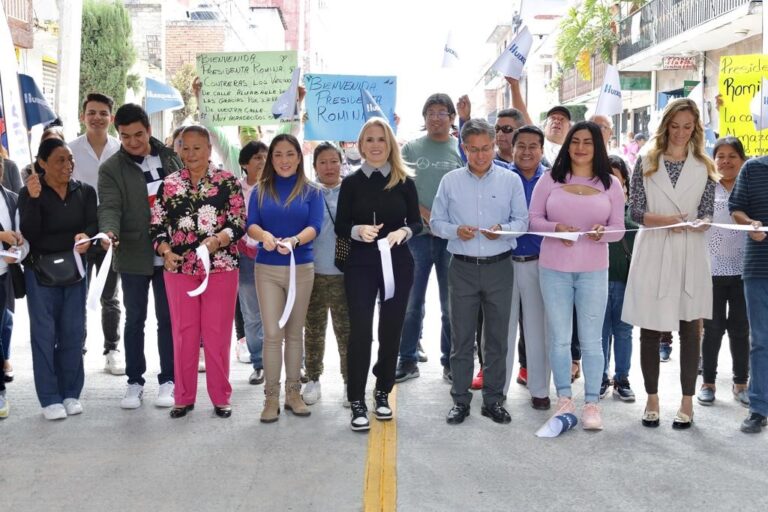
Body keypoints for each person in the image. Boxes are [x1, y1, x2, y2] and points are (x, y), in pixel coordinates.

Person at [623, 98, 718, 430]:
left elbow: (708, 212)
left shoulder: (704, 165)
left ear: (696, 128)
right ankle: (652, 398)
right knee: (650, 328)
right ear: (665, 126)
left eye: (687, 126)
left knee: (691, 328)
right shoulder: (647, 161)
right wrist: (667, 221)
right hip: (654, 248)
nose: (680, 133)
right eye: (675, 126)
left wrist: (700, 223)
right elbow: (635, 211)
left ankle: (687, 401)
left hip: (690, 250)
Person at [529, 121, 625, 430]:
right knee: (559, 338)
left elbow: (618, 228)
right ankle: (565, 400)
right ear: (568, 145)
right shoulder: (549, 179)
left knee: (592, 340)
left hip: (594, 271)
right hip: (553, 269)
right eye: (575, 141)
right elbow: (533, 220)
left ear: (597, 147)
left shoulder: (611, 184)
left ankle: (593, 404)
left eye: (588, 142)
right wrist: (555, 228)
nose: (580, 147)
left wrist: (603, 233)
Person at [431, 119, 528, 425]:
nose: (481, 156)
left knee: (497, 339)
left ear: (495, 146)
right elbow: (436, 223)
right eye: (473, 150)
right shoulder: (450, 181)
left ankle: (494, 400)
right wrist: (456, 230)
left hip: (500, 267)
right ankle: (460, 400)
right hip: (462, 268)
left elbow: (522, 222)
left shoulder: (510, 180)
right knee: (461, 339)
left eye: (486, 148)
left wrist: (504, 230)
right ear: (464, 149)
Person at [150, 126, 245, 418]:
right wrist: (165, 252)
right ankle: (183, 397)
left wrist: (218, 240)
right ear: (178, 149)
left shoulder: (228, 182)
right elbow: (156, 227)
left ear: (209, 149)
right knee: (183, 333)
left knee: (217, 335)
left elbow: (238, 222)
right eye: (185, 147)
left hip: (221, 267)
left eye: (197, 147)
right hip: (179, 269)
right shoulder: (168, 184)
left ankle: (220, 397)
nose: (191, 154)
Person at [336, 118, 421, 431]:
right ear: (361, 146)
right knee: (360, 332)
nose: (375, 145)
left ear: (390, 145)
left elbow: (417, 223)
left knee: (391, 330)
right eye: (369, 140)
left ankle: (382, 391)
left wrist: (403, 232)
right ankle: (356, 398)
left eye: (381, 140)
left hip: (398, 265)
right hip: (359, 265)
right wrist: (357, 231)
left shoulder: (405, 182)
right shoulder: (351, 183)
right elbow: (340, 225)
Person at [98, 103, 183, 410]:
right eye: (124, 136)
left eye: (138, 134)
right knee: (135, 320)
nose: (132, 142)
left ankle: (169, 380)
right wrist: (108, 232)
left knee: (168, 320)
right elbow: (108, 207)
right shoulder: (110, 169)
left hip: (172, 253)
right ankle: (134, 381)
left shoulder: (170, 156)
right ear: (117, 135)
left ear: (148, 129)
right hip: (133, 254)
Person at [246, 134, 322, 424]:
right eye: (277, 155)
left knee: (294, 333)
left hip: (301, 269)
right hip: (266, 270)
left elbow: (315, 226)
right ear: (270, 159)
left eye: (290, 154)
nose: (284, 160)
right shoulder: (260, 190)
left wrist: (294, 241)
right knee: (272, 335)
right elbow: (251, 224)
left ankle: (293, 394)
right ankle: (271, 399)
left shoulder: (312, 192)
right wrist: (263, 236)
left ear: (299, 157)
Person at [19, 138, 94, 420]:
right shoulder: (30, 193)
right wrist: (35, 200)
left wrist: (87, 236)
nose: (68, 165)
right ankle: (49, 398)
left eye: (70, 159)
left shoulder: (84, 191)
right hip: (40, 273)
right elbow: (30, 233)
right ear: (42, 164)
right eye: (60, 160)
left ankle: (71, 393)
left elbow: (92, 224)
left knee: (73, 332)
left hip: (75, 270)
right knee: (44, 334)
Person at [395, 93, 463, 384]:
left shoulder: (460, 149)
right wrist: (426, 216)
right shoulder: (411, 148)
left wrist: (445, 223)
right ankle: (407, 359)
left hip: (450, 238)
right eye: (430, 112)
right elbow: (402, 189)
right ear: (424, 118)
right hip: (417, 236)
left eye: (442, 112)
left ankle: (450, 360)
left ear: (451, 118)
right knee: (412, 302)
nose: (436, 117)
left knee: (451, 305)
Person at [69, 92, 124, 375]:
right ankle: (76, 349)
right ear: (83, 116)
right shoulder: (71, 149)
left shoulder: (120, 149)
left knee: (109, 295)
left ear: (111, 119)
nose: (97, 118)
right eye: (91, 112)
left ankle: (112, 349)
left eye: (103, 113)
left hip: (110, 232)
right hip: (79, 233)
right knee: (76, 294)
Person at [696, 137, 749, 407]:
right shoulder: (706, 187)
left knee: (741, 329)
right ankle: (708, 382)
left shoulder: (749, 186)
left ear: (742, 159)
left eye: (732, 156)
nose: (726, 161)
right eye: (720, 156)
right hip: (711, 269)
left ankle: (741, 383)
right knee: (713, 329)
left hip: (744, 270)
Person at [501, 125, 551, 410]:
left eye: (534, 146)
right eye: (521, 145)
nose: (527, 151)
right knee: (499, 330)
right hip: (504, 263)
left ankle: (540, 390)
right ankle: (499, 388)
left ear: (542, 150)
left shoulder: (553, 180)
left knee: (538, 329)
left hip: (539, 264)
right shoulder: (501, 178)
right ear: (513, 147)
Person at [303, 142, 350, 406]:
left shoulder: (353, 190)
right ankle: (312, 379)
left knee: (347, 332)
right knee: (313, 330)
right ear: (315, 166)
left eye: (334, 161)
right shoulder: (308, 192)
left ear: (342, 163)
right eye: (323, 162)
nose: (329, 167)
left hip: (345, 274)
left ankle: (349, 381)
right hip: (313, 273)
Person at [729, 138, 768, 433]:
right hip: (758, 268)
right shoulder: (752, 169)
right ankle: (758, 408)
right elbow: (737, 209)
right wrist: (750, 223)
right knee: (761, 341)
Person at [600, 155, 637, 402]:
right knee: (599, 333)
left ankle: (621, 378)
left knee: (623, 331)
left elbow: (635, 233)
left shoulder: (632, 213)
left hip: (625, 282)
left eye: (616, 178)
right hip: (597, 281)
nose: (611, 183)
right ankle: (600, 377)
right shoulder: (593, 210)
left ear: (624, 182)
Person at [235, 140, 268, 385]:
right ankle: (259, 363)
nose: (263, 161)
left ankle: (295, 365)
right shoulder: (234, 189)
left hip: (275, 256)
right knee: (252, 314)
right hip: (244, 257)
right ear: (245, 164)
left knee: (285, 312)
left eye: (266, 156)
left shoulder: (278, 188)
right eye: (257, 157)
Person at [0, 158, 28, 418]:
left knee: (3, 324)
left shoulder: (9, 197)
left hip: (3, 273)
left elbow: (18, 234)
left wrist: (15, 243)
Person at [506, 76, 571, 166]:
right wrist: (514, 86)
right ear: (544, 127)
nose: (557, 121)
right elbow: (522, 115)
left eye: (562, 119)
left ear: (569, 128)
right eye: (553, 118)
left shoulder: (574, 151)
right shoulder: (537, 142)